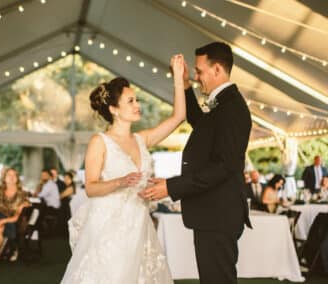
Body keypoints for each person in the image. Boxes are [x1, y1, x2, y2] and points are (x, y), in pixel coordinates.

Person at [61, 55, 187, 283]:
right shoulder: (100, 142)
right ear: (114, 109)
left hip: (140, 226)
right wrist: (120, 182)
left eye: (136, 100)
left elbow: (179, 116)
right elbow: (90, 187)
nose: (137, 105)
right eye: (130, 101)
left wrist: (178, 78)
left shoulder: (142, 139)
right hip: (108, 229)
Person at [139, 42, 252, 284]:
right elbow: (200, 123)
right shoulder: (223, 104)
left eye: (199, 71)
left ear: (218, 70)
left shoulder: (232, 108)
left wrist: (171, 187)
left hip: (219, 215)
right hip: (213, 214)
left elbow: (224, 166)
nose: (198, 76)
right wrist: (186, 84)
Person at [59, 171, 75, 238]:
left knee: (66, 220)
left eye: (66, 178)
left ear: (70, 179)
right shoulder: (66, 186)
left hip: (67, 206)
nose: (65, 180)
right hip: (65, 206)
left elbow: (61, 196)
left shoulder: (71, 187)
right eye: (64, 178)